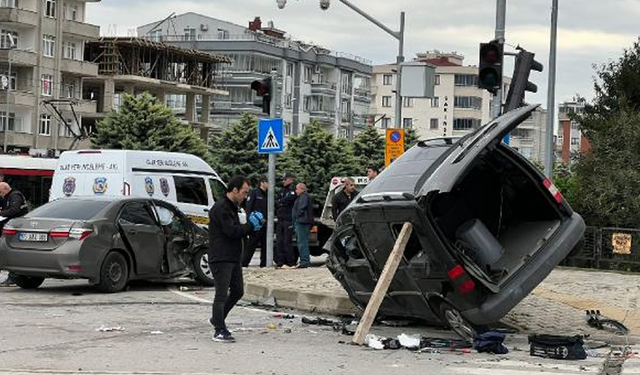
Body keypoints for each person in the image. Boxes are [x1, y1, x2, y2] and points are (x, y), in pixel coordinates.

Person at [208, 175, 263, 343]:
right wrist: (251, 225)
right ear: (234, 190)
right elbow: (232, 231)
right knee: (221, 294)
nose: (245, 196)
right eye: (244, 192)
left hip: (232, 257)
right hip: (221, 257)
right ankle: (219, 329)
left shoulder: (233, 207)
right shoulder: (221, 208)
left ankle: (217, 318)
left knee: (238, 291)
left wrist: (253, 227)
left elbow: (239, 230)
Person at [0, 182, 29, 287]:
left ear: (6, 189)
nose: (0, 194)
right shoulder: (8, 196)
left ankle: (13, 278)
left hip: (18, 228)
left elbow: (14, 210)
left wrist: (1, 213)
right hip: (12, 227)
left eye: (0, 191)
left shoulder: (15, 196)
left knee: (10, 251)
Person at [242, 176, 268, 268]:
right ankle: (244, 263)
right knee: (251, 245)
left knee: (265, 245)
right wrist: (252, 222)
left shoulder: (268, 194)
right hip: (256, 225)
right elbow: (248, 208)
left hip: (266, 224)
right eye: (267, 182)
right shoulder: (254, 193)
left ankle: (264, 264)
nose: (269, 185)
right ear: (262, 183)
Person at [275, 172, 297, 268]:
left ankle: (290, 262)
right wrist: (281, 202)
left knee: (287, 241)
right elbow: (277, 201)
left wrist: (281, 201)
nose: (283, 181)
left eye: (285, 179)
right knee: (279, 241)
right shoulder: (282, 190)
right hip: (281, 218)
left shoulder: (293, 189)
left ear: (290, 179)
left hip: (288, 219)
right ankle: (280, 262)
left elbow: (289, 199)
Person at [292, 183, 314, 269]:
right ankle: (304, 260)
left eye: (297, 189)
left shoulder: (304, 196)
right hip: (302, 221)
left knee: (302, 242)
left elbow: (302, 207)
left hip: (302, 222)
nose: (296, 191)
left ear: (302, 189)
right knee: (301, 242)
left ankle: (304, 261)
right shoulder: (303, 197)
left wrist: (297, 217)